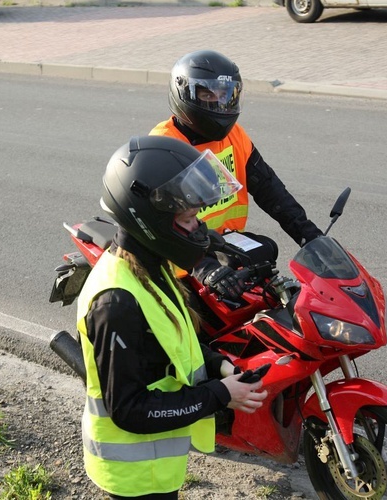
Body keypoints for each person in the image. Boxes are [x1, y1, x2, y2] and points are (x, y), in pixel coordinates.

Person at [76, 135, 269, 499]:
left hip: (155, 468)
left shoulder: (149, 268)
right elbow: (128, 410)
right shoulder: (116, 303)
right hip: (132, 477)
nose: (198, 227)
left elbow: (172, 346)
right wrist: (219, 394)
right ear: (150, 219)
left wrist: (221, 367)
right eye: (188, 218)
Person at [150, 49, 323, 302]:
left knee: (266, 254)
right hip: (180, 262)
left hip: (223, 245)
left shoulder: (235, 135)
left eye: (225, 95)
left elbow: (270, 189)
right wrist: (203, 267)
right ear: (184, 93)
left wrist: (311, 237)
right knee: (188, 334)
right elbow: (162, 224)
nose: (219, 103)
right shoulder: (164, 145)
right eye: (208, 95)